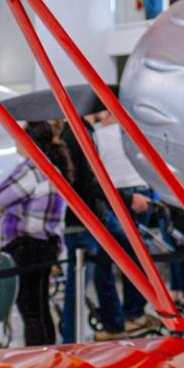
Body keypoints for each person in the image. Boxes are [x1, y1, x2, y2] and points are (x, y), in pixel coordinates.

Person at [0, 122, 68, 346]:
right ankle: (48, 355)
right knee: (40, 307)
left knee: (29, 310)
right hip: (48, 244)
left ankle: (37, 360)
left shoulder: (31, 171)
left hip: (26, 247)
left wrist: (6, 208)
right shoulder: (54, 168)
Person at [91, 108, 157, 335]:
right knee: (137, 256)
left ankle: (115, 318)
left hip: (114, 196)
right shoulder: (135, 134)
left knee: (107, 259)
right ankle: (135, 313)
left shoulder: (97, 136)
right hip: (141, 193)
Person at [60, 122, 126, 341]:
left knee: (100, 273)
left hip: (92, 217)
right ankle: (71, 340)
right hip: (85, 219)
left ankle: (115, 324)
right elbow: (86, 181)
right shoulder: (77, 134)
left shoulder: (82, 131)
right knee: (78, 286)